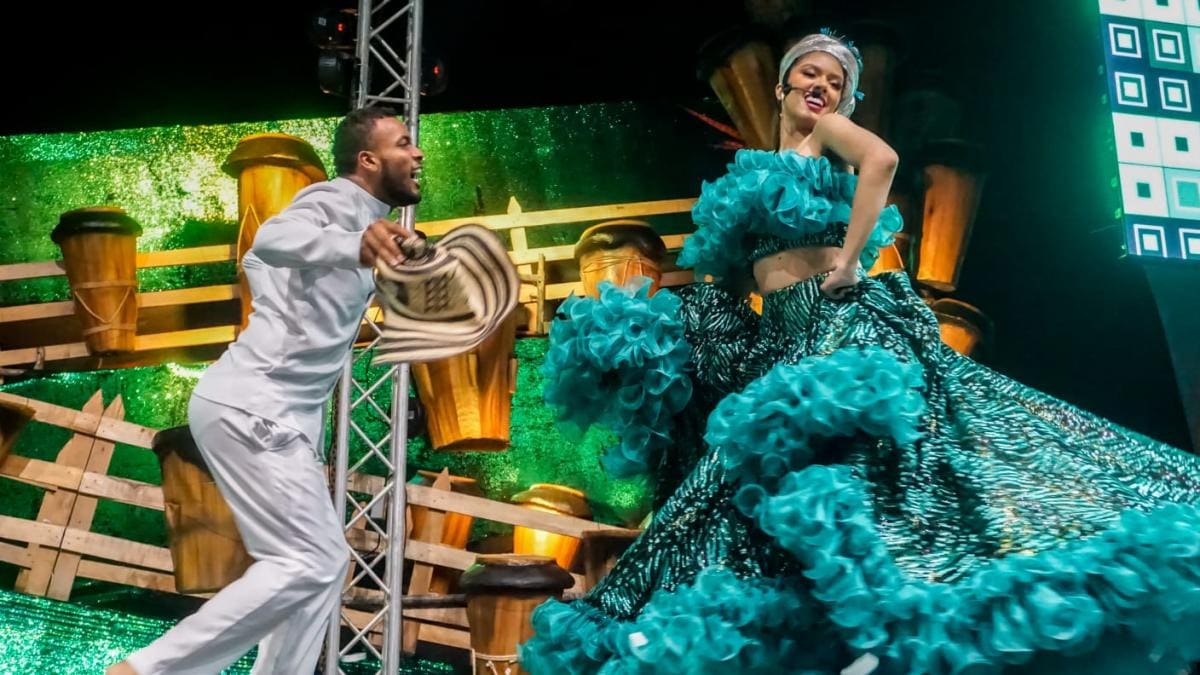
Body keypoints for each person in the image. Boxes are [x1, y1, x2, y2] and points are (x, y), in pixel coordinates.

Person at [523, 30, 1200, 674]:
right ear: (784, 82)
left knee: (892, 481)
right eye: (811, 73)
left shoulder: (826, 138)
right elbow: (721, 285)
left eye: (836, 81)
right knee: (727, 497)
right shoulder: (753, 174)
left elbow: (882, 161)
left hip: (841, 328)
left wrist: (849, 260)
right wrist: (670, 341)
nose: (821, 85)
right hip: (783, 343)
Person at [109, 106, 423, 675]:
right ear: (369, 160)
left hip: (274, 415)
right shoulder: (335, 202)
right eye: (404, 144)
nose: (418, 153)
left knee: (321, 573)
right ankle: (147, 670)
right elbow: (275, 236)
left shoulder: (370, 223)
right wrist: (355, 244)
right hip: (253, 406)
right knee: (310, 561)